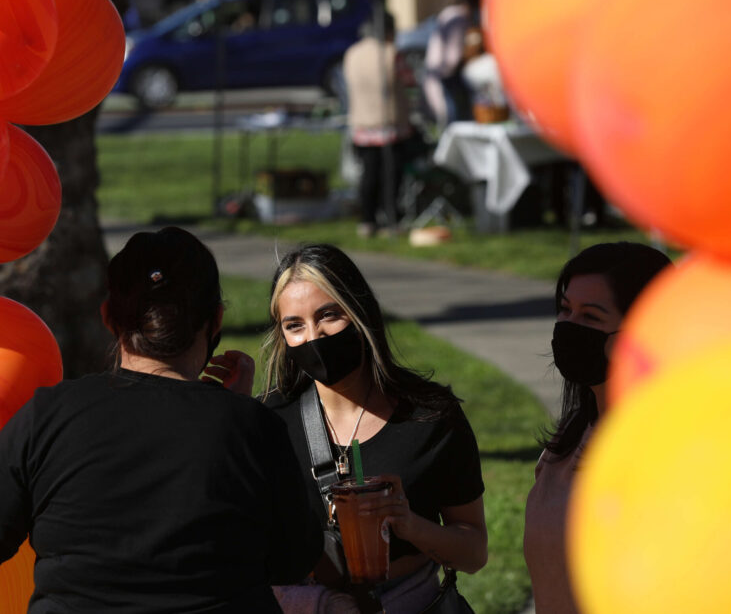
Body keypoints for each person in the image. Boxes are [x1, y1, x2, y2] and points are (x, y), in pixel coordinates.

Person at [0, 226, 323, 613]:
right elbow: (292, 559)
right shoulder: (251, 427)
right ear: (215, 321)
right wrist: (232, 413)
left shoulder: (49, 418)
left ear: (108, 318)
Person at [260, 243, 487, 613]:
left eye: (329, 315)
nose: (313, 337)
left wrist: (409, 523)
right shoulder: (270, 421)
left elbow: (474, 552)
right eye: (294, 325)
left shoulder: (429, 418)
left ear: (359, 312)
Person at [523, 242, 672, 613]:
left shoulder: (664, 453)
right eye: (565, 310)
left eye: (591, 317)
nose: (570, 327)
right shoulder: (570, 438)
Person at [342, 10, 413, 238]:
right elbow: (409, 80)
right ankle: (391, 219)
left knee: (369, 175)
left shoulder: (352, 53)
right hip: (389, 122)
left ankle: (367, 220)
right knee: (391, 176)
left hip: (362, 122)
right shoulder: (391, 53)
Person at [422, 0, 479, 127]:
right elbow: (453, 56)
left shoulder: (447, 14)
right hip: (446, 74)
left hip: (437, 71)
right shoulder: (458, 19)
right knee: (455, 122)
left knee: (448, 119)